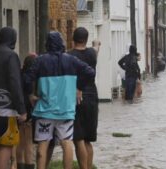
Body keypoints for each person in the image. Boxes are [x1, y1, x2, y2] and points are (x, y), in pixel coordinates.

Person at [24, 31, 95, 169]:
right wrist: (79, 87)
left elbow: (27, 78)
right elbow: (90, 72)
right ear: (62, 44)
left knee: (42, 145)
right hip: (66, 110)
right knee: (66, 143)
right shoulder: (71, 60)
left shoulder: (40, 60)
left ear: (47, 44)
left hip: (45, 110)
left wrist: (30, 95)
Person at [0, 27, 27, 169]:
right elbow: (15, 82)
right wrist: (22, 109)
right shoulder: (11, 56)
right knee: (6, 144)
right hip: (6, 109)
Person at [68, 27, 99, 169]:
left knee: (78, 138)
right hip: (92, 96)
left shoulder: (69, 56)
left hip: (76, 97)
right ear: (86, 40)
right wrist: (97, 43)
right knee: (88, 140)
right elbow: (96, 47)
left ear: (73, 39)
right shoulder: (92, 54)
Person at [16, 53, 38, 169]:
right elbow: (32, 96)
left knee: (19, 142)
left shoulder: (18, 74)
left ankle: (19, 165)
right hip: (28, 111)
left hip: (18, 110)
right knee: (28, 143)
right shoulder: (32, 78)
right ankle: (29, 166)